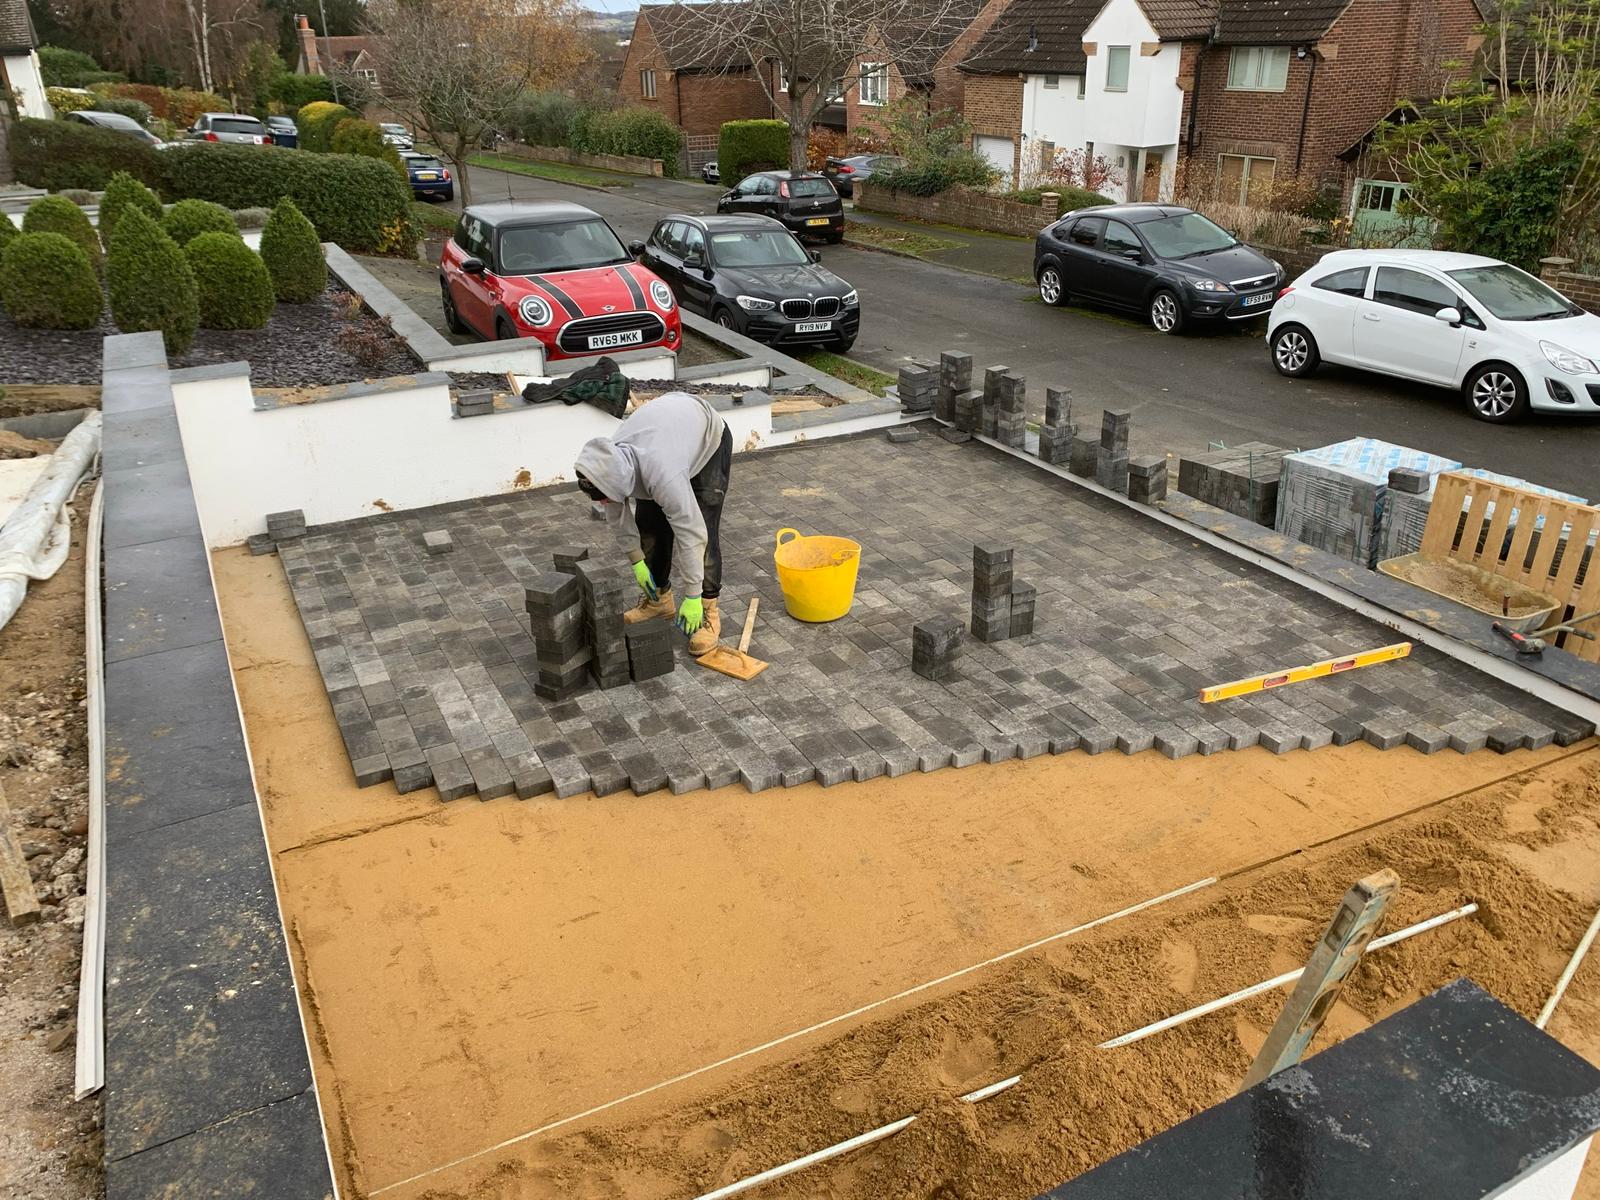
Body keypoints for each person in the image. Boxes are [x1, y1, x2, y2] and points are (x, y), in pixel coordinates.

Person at [573, 391, 732, 655]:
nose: (603, 504)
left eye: (604, 498)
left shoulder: (662, 474)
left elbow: (691, 533)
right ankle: (660, 601)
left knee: (703, 526)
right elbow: (615, 512)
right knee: (649, 525)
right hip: (667, 439)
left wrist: (692, 595)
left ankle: (707, 610)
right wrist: (636, 560)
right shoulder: (608, 464)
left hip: (707, 440)